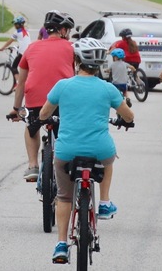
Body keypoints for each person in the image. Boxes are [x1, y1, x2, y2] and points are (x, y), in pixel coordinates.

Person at [39, 37, 134, 264]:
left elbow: (43, 114)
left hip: (66, 151)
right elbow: (129, 116)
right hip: (99, 150)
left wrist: (47, 116)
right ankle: (104, 201)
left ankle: (61, 243)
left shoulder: (63, 86)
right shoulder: (108, 88)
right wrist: (125, 120)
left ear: (77, 60)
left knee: (63, 197)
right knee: (109, 159)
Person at [7, 10, 75, 182]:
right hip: (63, 101)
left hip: (36, 101)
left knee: (32, 127)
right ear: (62, 30)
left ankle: (33, 166)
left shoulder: (32, 48)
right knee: (67, 130)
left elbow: (20, 83)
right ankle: (66, 164)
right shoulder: (71, 47)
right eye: (67, 29)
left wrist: (16, 109)